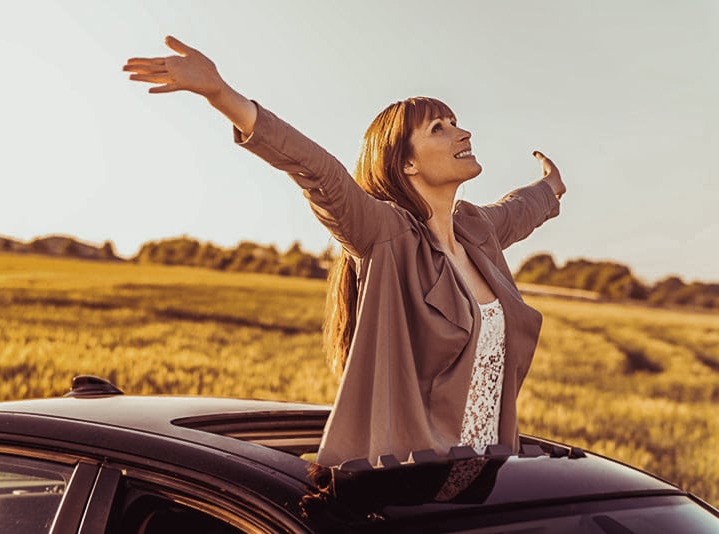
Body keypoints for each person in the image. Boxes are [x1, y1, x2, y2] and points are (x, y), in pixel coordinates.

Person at [124, 36, 566, 468]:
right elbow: (320, 172)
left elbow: (519, 209)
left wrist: (550, 186)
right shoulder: (386, 235)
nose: (462, 132)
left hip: (487, 481)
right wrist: (223, 96)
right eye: (439, 128)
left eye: (454, 122)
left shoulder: (476, 230)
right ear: (406, 163)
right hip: (404, 486)